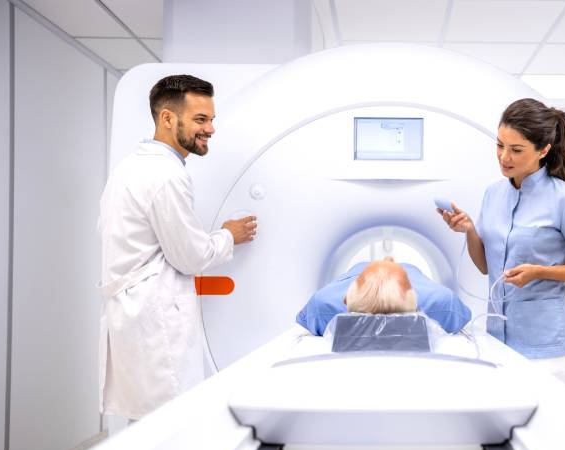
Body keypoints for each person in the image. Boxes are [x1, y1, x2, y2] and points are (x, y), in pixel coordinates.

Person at [97, 74, 257, 421]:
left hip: (133, 314)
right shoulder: (165, 175)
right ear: (168, 118)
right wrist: (229, 235)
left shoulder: (130, 167)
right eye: (201, 119)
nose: (211, 129)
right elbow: (190, 256)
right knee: (168, 421)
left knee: (146, 420)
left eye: (211, 119)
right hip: (154, 318)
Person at [438, 98, 565, 386]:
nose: (504, 157)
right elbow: (485, 267)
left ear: (544, 150)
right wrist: (469, 230)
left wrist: (540, 272)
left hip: (545, 347)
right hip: (497, 342)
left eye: (516, 150)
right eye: (500, 145)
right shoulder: (493, 194)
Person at [296, 257, 471, 336]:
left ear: (346, 300)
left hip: (399, 276)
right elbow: (463, 315)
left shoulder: (323, 306)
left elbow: (306, 316)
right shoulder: (441, 303)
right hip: (377, 274)